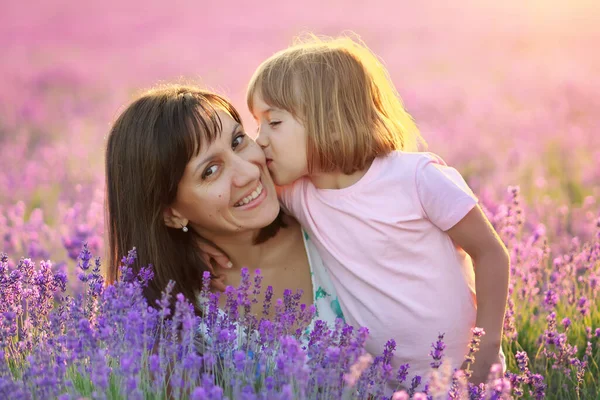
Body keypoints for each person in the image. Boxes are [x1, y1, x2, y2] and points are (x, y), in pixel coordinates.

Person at [244, 34, 510, 387]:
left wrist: (488, 343)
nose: (259, 139)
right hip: (385, 383)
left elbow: (490, 252)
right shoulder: (298, 194)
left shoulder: (416, 178)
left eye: (273, 123)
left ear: (332, 122)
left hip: (467, 371)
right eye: (256, 124)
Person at [104, 84, 344, 330]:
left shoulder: (332, 216)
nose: (250, 172)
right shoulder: (167, 317)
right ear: (172, 214)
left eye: (238, 141)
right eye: (210, 171)